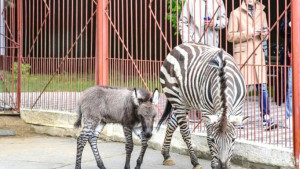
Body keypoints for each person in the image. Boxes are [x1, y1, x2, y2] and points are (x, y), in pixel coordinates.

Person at [227, 0, 277, 130]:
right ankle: (237, 119)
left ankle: (267, 118)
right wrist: (249, 32)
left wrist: (265, 34)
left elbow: (265, 36)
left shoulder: (263, 12)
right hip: (243, 56)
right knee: (240, 89)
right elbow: (230, 36)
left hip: (258, 55)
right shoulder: (235, 13)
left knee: (263, 88)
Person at [279, 9, 292, 128]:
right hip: (293, 54)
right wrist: (288, 25)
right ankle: (290, 116)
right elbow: (281, 30)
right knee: (292, 88)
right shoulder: (289, 12)